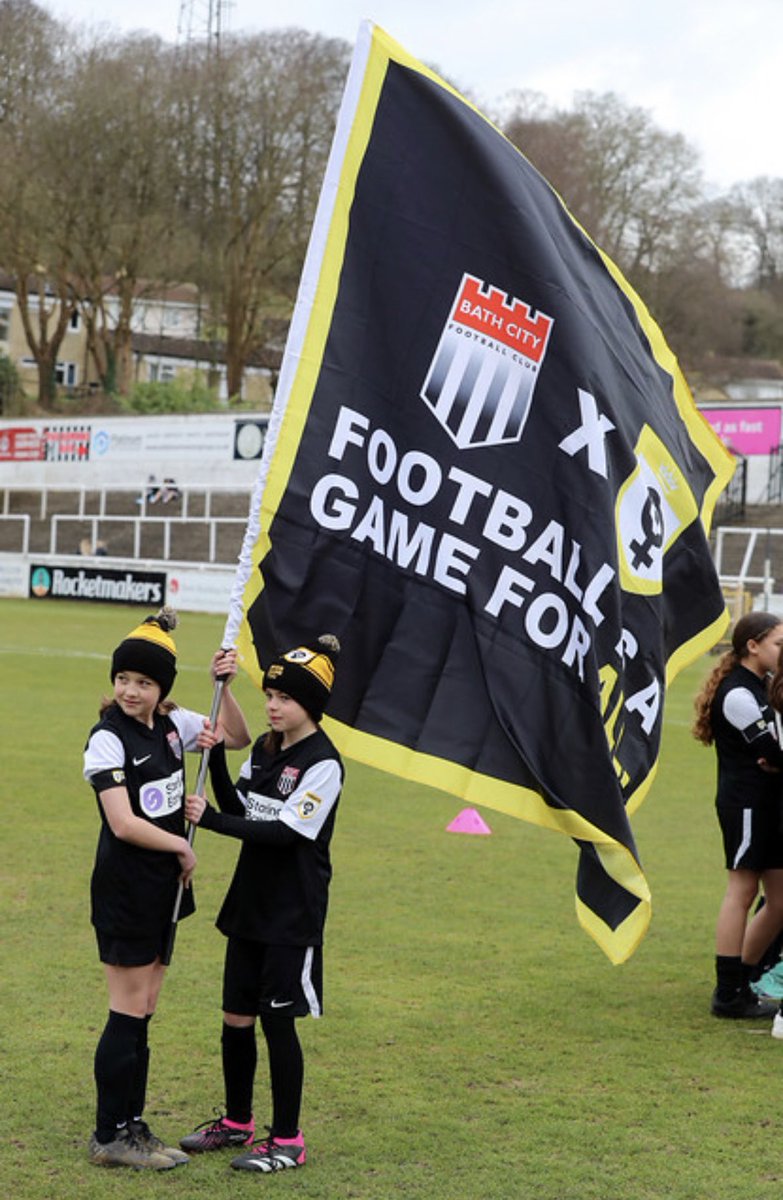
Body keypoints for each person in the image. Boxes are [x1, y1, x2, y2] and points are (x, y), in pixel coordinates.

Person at [83, 608, 251, 1169]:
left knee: (147, 1006)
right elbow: (123, 822)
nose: (131, 691)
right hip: (128, 887)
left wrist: (224, 683)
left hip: (165, 889)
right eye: (124, 679)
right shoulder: (106, 740)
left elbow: (238, 736)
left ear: (162, 689)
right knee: (127, 1007)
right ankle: (110, 1135)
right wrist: (181, 845)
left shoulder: (173, 727)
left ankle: (133, 1125)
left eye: (144, 682)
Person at [179, 634, 343, 1173]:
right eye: (270, 695)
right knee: (235, 1018)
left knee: (278, 1022)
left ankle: (288, 1139)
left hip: (290, 913)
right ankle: (238, 1122)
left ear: (310, 705)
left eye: (284, 698)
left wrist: (212, 820)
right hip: (249, 903)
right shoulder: (267, 750)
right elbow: (241, 810)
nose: (272, 706)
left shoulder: (323, 763)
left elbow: (284, 835)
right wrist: (217, 762)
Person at [692, 610, 783, 1019]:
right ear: (753, 645)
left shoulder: (763, 686)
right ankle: (728, 992)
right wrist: (772, 759)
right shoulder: (737, 693)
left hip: (771, 802)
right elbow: (771, 752)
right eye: (779, 644)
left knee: (781, 899)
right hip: (746, 803)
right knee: (742, 891)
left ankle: (742, 983)